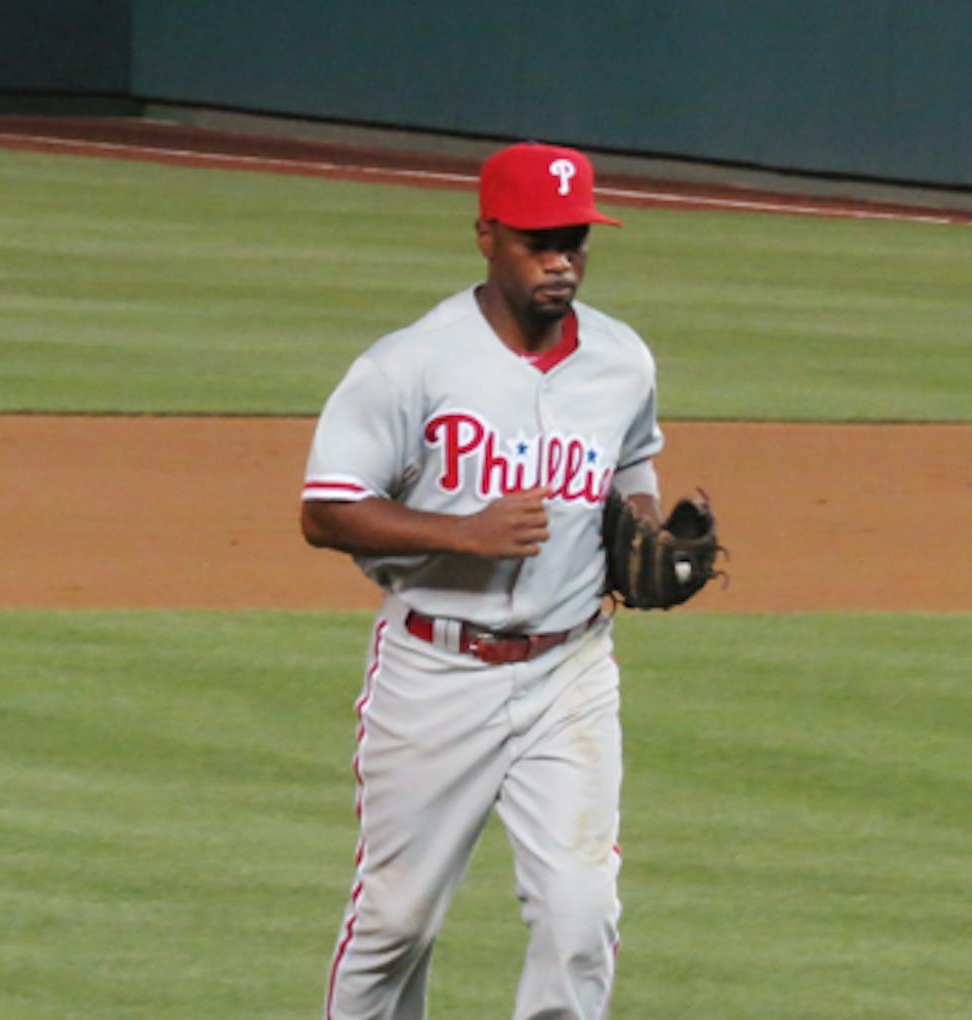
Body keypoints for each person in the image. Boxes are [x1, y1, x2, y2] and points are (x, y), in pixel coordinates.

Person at [300, 141, 667, 1019]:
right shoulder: (411, 364)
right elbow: (326, 509)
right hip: (436, 672)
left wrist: (650, 531)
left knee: (580, 920)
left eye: (575, 237)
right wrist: (460, 534)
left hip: (568, 672)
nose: (561, 258)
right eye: (540, 239)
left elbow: (635, 468)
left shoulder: (622, 361)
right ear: (487, 236)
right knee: (396, 924)